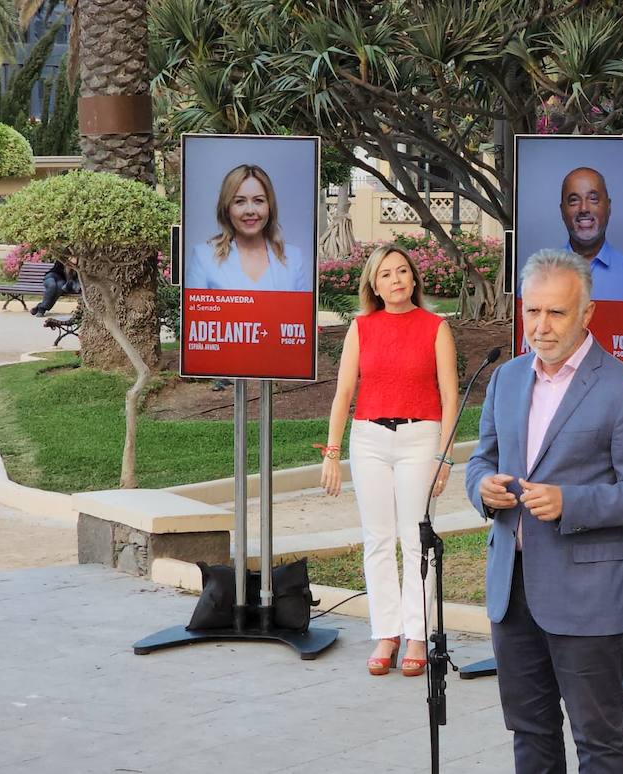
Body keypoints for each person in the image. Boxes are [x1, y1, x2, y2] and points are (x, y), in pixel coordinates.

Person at [465, 248, 623, 773]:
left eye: (556, 312)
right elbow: (482, 458)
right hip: (512, 592)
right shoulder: (506, 379)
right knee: (529, 732)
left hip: (588, 597)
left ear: (587, 314)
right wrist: (482, 488)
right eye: (532, 311)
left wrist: (568, 502)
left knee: (597, 740)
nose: (542, 326)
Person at [321, 244, 459, 677]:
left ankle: (417, 634)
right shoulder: (361, 328)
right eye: (386, 274)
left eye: (403, 271)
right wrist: (332, 453)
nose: (396, 280)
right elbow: (344, 394)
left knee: (416, 537)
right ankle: (387, 632)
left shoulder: (436, 327)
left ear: (414, 279)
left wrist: (446, 457)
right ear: (373, 285)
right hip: (369, 440)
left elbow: (451, 396)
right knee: (377, 539)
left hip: (422, 438)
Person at [186, 164, 312, 292]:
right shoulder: (203, 257)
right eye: (239, 201)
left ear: (270, 206)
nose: (250, 211)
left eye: (258, 200)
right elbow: (196, 311)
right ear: (227, 209)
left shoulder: (294, 257)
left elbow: (301, 312)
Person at [552, 166, 623, 302]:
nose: (583, 208)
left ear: (608, 207)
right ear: (562, 211)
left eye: (593, 198)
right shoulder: (537, 275)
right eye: (574, 200)